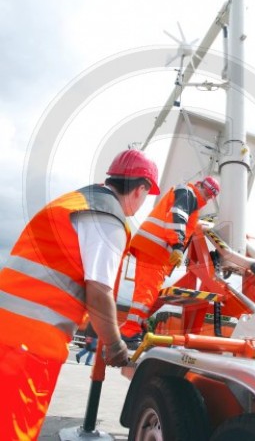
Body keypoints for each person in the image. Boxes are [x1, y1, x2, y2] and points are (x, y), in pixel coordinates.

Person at [0, 148, 159, 441]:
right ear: (141, 189)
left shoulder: (75, 201)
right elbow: (98, 292)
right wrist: (115, 346)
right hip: (30, 345)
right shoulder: (108, 218)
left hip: (9, 334)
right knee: (13, 431)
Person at [120, 176, 220, 349]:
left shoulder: (189, 199)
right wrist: (178, 245)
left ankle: (135, 326)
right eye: (207, 192)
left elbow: (186, 223)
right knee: (146, 292)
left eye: (210, 196)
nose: (207, 197)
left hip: (154, 249)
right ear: (199, 185)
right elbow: (177, 218)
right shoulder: (188, 193)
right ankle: (130, 331)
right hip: (156, 249)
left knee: (146, 291)